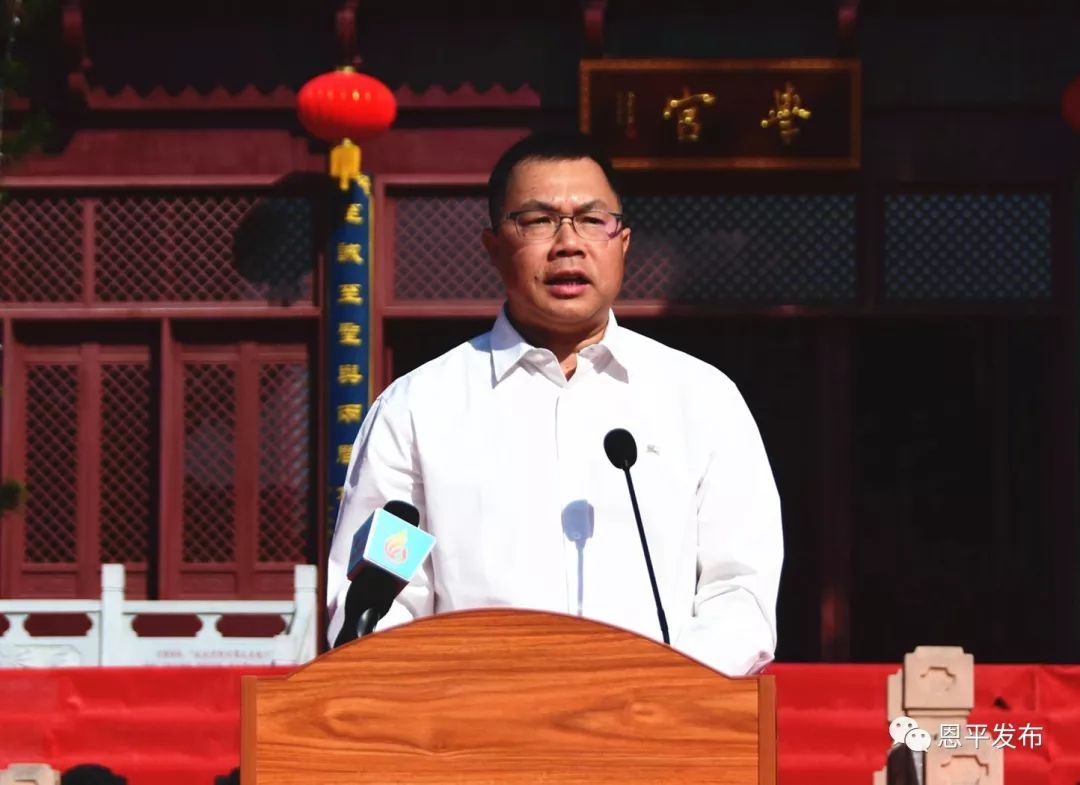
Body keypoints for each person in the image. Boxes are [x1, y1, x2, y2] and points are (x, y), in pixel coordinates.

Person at [326, 131, 783, 676]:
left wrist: (665, 692)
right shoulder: (417, 408)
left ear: (623, 243)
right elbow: (380, 603)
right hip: (474, 717)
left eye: (592, 220)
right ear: (493, 247)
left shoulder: (701, 399)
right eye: (538, 220)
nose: (569, 243)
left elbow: (739, 589)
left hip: (657, 715)